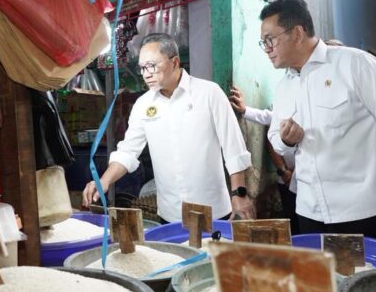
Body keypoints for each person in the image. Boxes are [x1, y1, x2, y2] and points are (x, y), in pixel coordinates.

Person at [263, 0, 376, 239]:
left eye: (270, 40)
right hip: (309, 209)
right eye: (264, 42)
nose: (267, 48)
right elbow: (275, 139)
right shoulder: (284, 86)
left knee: (366, 276)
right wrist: (287, 141)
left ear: (297, 33)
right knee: (321, 277)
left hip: (362, 209)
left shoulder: (354, 63)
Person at [82, 33, 255, 223]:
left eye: (152, 66)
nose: (146, 73)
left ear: (175, 62)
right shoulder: (143, 105)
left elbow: (233, 148)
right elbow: (128, 151)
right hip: (171, 213)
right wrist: (103, 181)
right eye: (142, 68)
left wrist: (239, 194)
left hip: (213, 209)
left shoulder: (209, 93)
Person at [228, 86, 299, 234]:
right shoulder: (284, 96)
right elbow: (269, 118)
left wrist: (296, 173)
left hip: (304, 178)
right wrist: (245, 110)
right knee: (293, 220)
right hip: (286, 178)